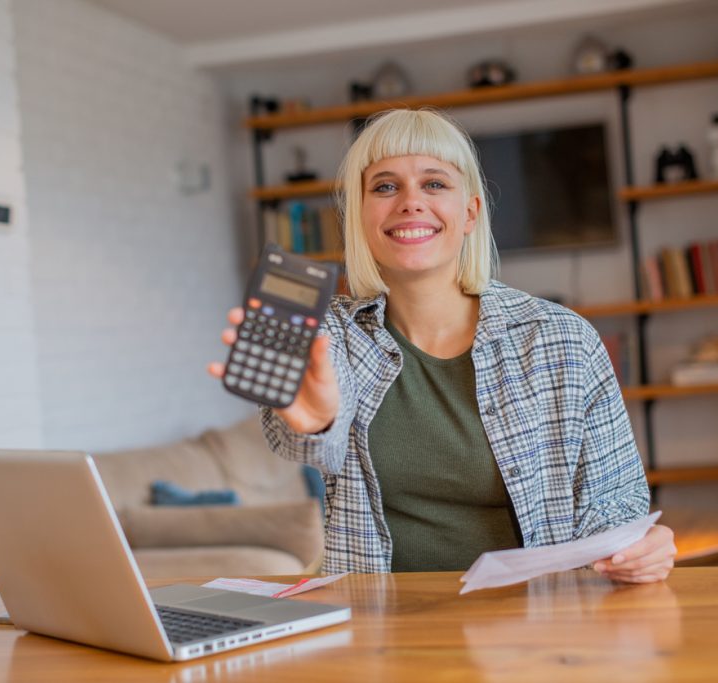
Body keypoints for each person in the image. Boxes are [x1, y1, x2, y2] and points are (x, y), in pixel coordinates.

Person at [209, 108, 676, 582]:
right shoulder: (329, 337)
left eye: (434, 184)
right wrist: (317, 424)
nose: (410, 202)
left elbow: (615, 500)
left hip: (535, 625)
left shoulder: (562, 339)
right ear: (359, 215)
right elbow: (302, 442)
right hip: (379, 624)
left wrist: (635, 547)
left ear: (470, 212)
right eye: (385, 187)